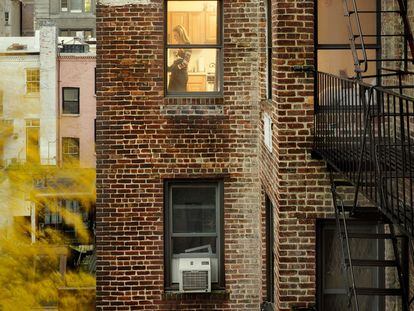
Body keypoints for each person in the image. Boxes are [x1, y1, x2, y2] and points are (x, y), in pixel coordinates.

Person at [168, 25, 192, 92]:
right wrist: (170, 68)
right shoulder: (178, 45)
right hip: (174, 75)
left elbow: (185, 63)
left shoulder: (188, 45)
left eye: (175, 35)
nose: (174, 37)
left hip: (181, 76)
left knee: (179, 97)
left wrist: (173, 68)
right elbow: (176, 60)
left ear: (180, 35)